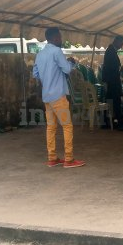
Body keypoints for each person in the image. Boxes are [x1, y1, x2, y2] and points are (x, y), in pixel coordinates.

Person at [33, 27, 85, 168]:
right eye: (60, 37)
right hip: (58, 95)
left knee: (51, 127)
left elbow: (36, 74)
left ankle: (52, 158)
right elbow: (67, 69)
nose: (61, 40)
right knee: (67, 126)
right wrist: (71, 63)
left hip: (47, 96)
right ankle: (69, 159)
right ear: (55, 38)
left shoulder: (40, 54)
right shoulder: (56, 51)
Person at [102, 35, 123, 130]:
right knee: (116, 101)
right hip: (112, 80)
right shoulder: (111, 51)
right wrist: (120, 69)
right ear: (117, 41)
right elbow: (111, 68)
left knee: (110, 101)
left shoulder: (111, 50)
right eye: (121, 44)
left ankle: (109, 121)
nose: (121, 46)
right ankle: (119, 123)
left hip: (110, 80)